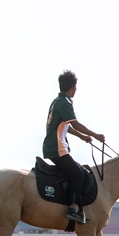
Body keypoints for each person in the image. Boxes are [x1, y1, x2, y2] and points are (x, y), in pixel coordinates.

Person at [43, 70, 105, 224]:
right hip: (57, 148)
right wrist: (96, 135)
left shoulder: (56, 101)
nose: (76, 90)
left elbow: (66, 126)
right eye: (75, 87)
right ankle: (73, 209)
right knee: (78, 175)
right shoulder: (64, 102)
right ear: (72, 87)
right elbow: (75, 123)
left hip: (53, 147)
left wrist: (83, 137)